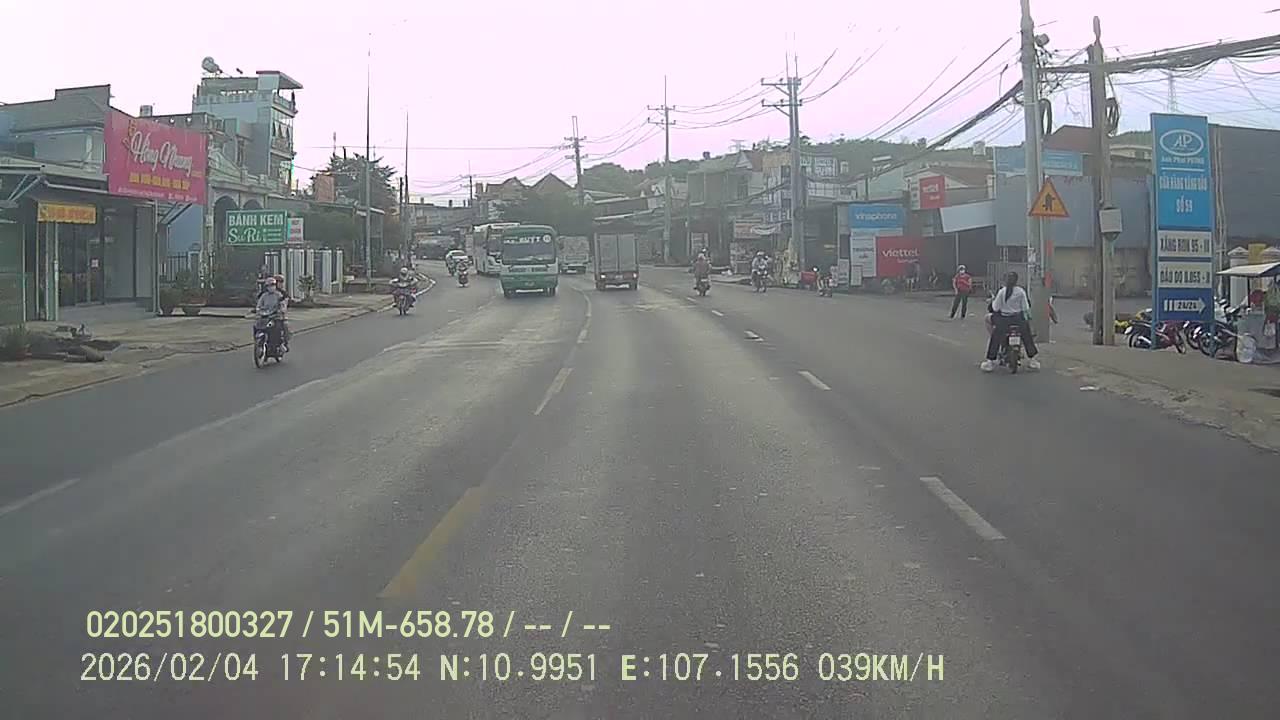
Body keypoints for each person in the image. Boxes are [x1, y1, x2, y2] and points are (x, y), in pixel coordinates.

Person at [982, 271, 1039, 372]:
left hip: (1003, 320)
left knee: (995, 335)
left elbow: (995, 308)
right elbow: (1025, 308)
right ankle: (1032, 360)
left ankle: (990, 362)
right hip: (1018, 320)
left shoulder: (1002, 292)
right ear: (1017, 281)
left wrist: (994, 301)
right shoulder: (1021, 291)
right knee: (1027, 336)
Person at [255, 276, 290, 351]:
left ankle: (281, 344)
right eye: (269, 285)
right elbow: (259, 304)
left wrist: (282, 309)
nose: (271, 287)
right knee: (257, 325)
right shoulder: (264, 295)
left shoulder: (280, 294)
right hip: (266, 316)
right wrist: (257, 310)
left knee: (279, 327)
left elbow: (283, 304)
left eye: (272, 285)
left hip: (277, 316)